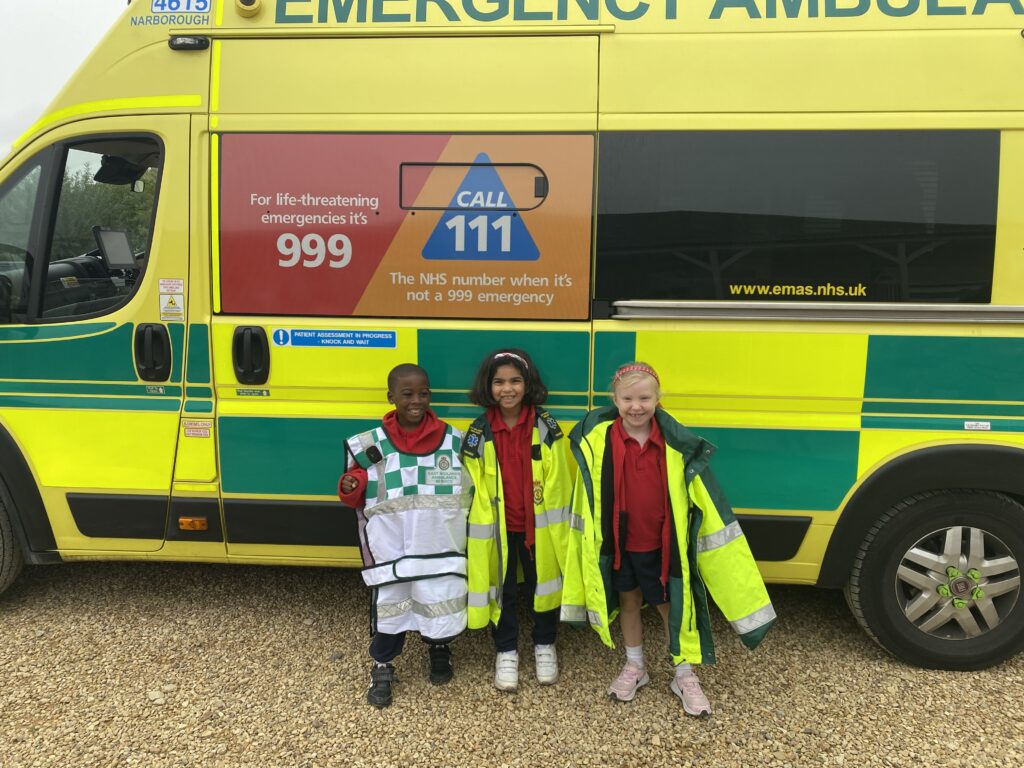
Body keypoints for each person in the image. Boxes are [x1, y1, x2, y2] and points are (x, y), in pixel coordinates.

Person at [561, 362, 775, 716]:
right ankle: (635, 666)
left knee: (670, 609)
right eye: (627, 398)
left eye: (644, 397)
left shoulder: (675, 445)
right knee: (628, 604)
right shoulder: (598, 442)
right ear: (614, 400)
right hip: (619, 546)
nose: (636, 406)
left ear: (658, 399)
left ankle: (683, 673)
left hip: (662, 548)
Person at [339, 363, 467, 708]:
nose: (417, 400)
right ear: (391, 397)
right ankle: (382, 664)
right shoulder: (369, 447)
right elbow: (355, 496)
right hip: (392, 553)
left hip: (438, 550)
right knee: (391, 608)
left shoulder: (456, 442)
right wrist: (350, 487)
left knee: (438, 603)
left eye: (423, 393)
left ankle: (439, 649)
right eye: (407, 394)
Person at [461, 349, 573, 691]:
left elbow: (560, 483)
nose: (506, 389)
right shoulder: (479, 432)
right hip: (497, 530)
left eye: (515, 381)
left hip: (539, 527)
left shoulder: (546, 427)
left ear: (528, 385)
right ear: (488, 386)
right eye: (498, 382)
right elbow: (470, 485)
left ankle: (544, 644)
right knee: (502, 590)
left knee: (545, 586)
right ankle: (506, 650)